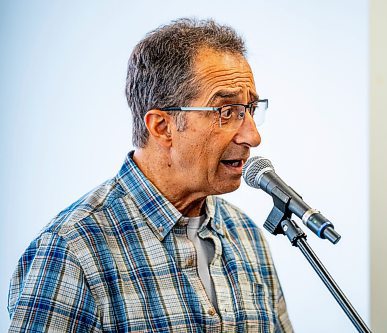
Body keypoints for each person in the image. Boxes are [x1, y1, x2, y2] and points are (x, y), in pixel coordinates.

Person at [8, 18, 293, 332]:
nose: (252, 136)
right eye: (227, 112)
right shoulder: (72, 250)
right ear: (161, 127)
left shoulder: (247, 235)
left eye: (250, 109)